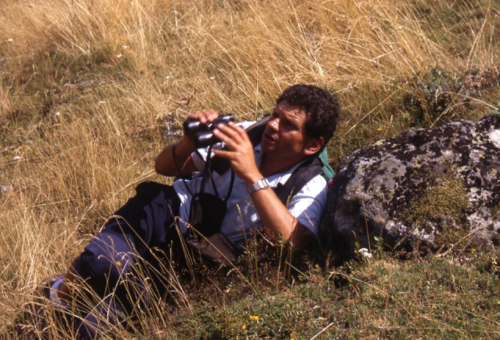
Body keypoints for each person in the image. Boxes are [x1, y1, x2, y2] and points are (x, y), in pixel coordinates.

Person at [29, 84, 340, 338]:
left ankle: (47, 322)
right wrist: (189, 142)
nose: (273, 125)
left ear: (312, 145)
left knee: (93, 328)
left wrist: (252, 175)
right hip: (167, 213)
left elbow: (294, 242)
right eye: (275, 115)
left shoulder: (312, 184)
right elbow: (164, 167)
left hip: (201, 260)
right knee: (101, 262)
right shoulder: (245, 134)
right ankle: (60, 291)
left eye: (289, 125)